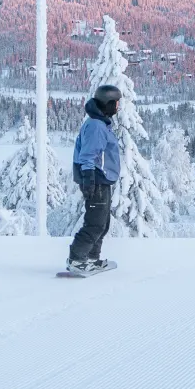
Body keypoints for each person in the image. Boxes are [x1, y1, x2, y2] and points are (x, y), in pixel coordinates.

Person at [68, 85, 122, 272]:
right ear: (108, 103)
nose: (118, 106)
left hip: (102, 179)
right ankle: (76, 259)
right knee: (95, 224)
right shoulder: (96, 126)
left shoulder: (101, 123)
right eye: (116, 102)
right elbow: (88, 155)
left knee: (103, 224)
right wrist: (89, 178)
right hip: (96, 179)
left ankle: (91, 258)